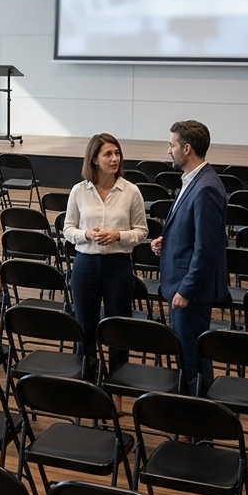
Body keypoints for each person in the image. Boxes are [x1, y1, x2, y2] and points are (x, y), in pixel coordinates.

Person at [63, 133, 148, 376]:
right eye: (108, 154)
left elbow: (142, 231)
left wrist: (118, 236)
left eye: (117, 153)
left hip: (118, 266)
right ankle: (84, 381)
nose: (114, 159)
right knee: (84, 326)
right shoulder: (78, 191)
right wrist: (87, 234)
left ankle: (117, 384)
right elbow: (68, 229)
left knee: (118, 328)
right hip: (86, 264)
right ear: (94, 159)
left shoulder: (131, 191)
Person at [151, 120, 228, 385]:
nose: (168, 151)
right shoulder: (192, 180)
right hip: (181, 284)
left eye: (171, 145)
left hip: (189, 290)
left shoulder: (206, 187)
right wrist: (166, 241)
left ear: (187, 148)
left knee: (192, 357)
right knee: (187, 353)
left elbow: (206, 248)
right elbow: (191, 232)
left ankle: (198, 410)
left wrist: (186, 290)